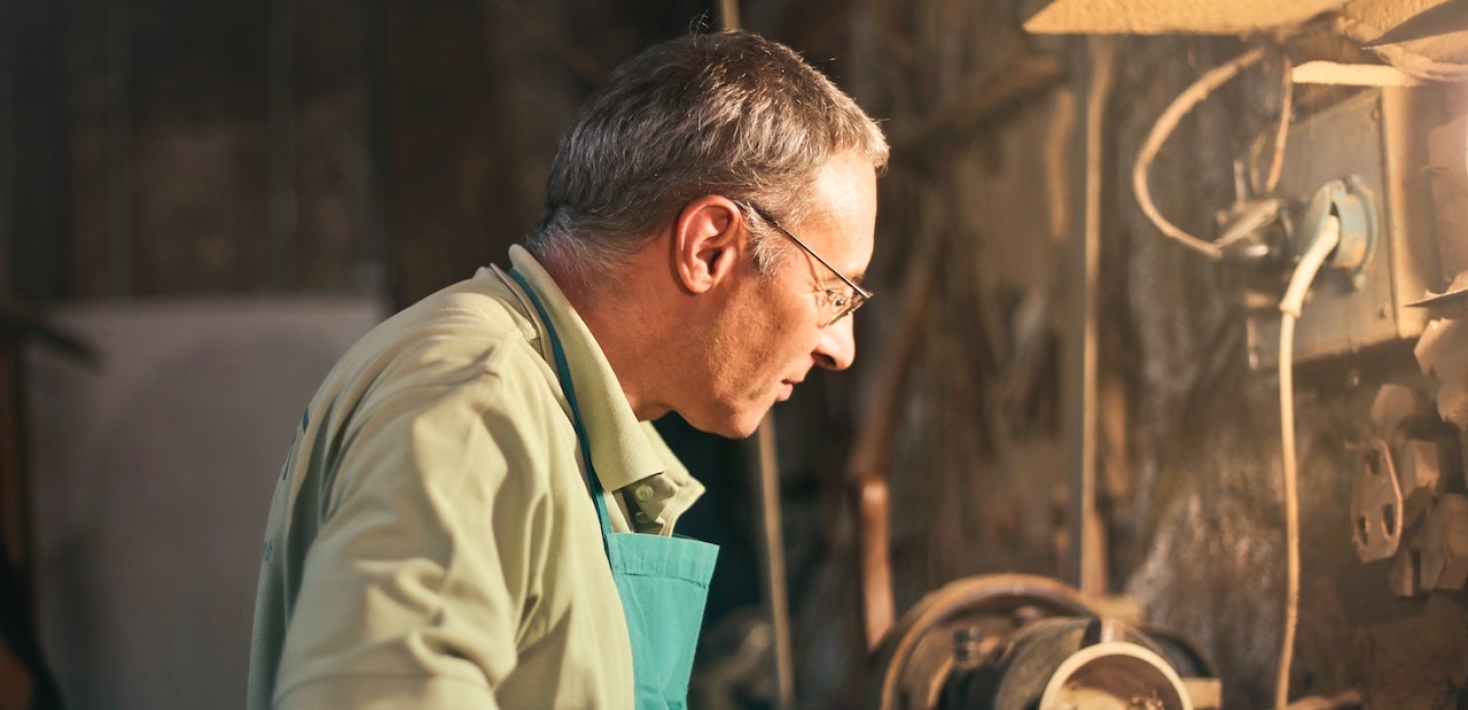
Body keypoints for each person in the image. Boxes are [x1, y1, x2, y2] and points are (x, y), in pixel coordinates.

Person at [246, 29, 887, 710]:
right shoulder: (477, 403)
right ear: (709, 248)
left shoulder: (544, 409)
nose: (840, 348)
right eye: (833, 293)